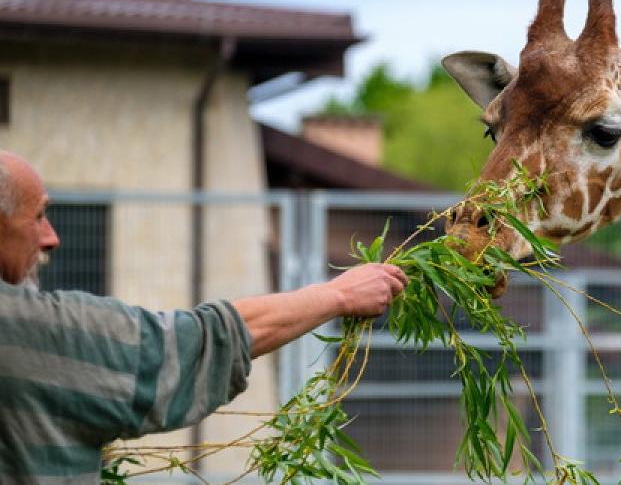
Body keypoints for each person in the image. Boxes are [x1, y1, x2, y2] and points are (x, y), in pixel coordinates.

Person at [0, 150, 408, 484]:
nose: (51, 235)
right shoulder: (24, 328)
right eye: (38, 216)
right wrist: (338, 294)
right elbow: (190, 344)